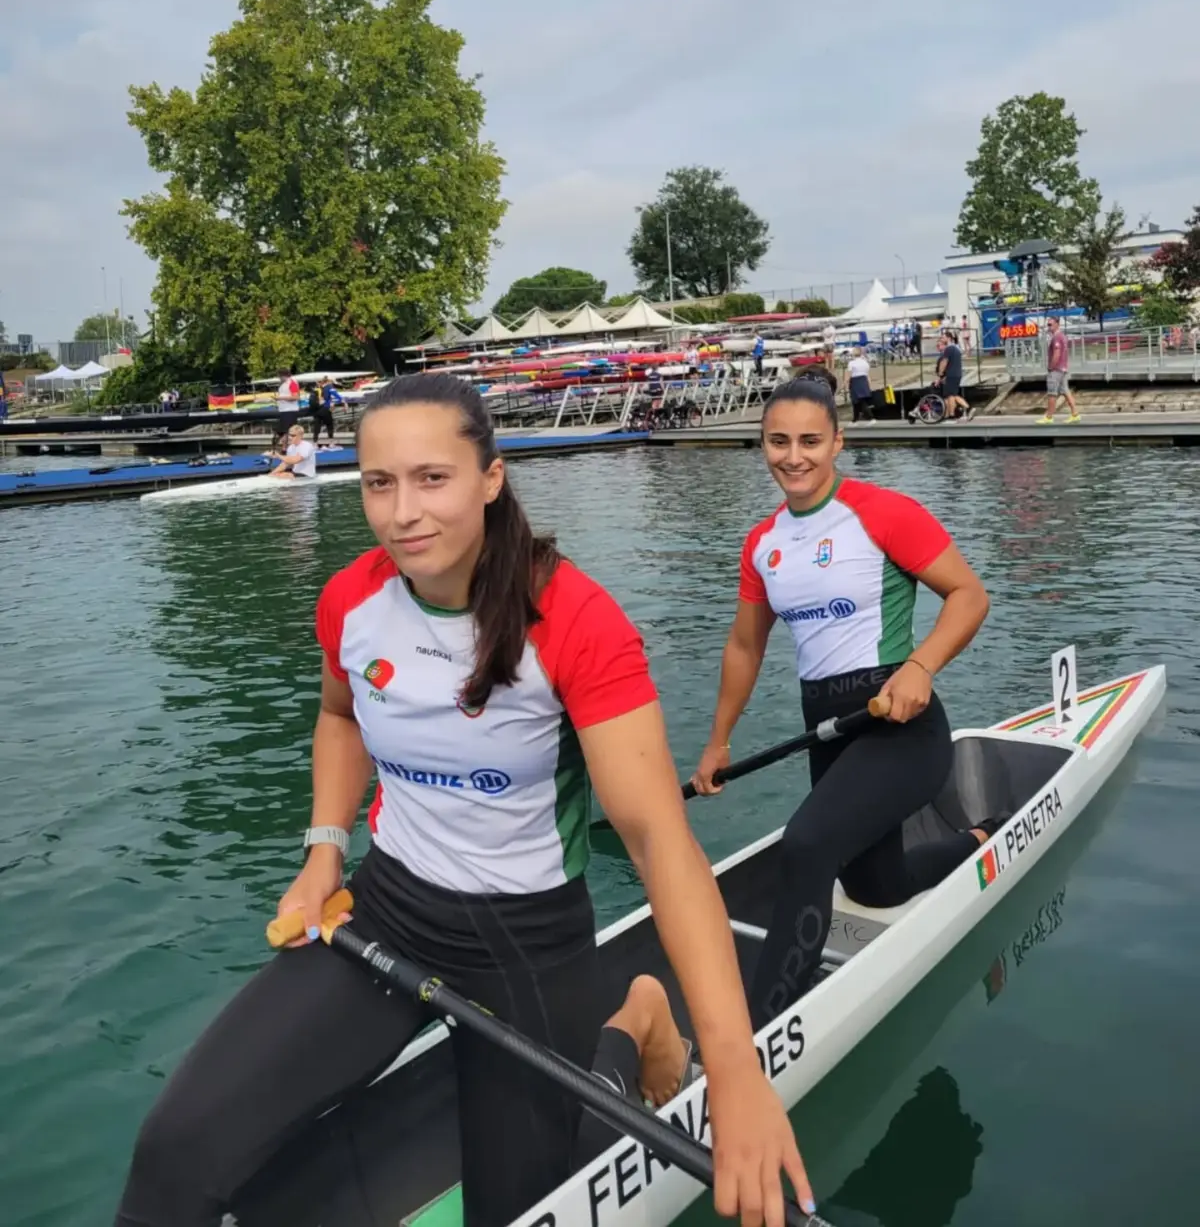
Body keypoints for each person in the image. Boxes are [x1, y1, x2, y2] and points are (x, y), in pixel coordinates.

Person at [115, 373, 813, 1227]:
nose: (403, 511)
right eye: (379, 482)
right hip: (388, 909)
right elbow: (340, 719)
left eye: (432, 478)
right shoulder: (351, 602)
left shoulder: (576, 621)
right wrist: (323, 851)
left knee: (512, 1212)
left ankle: (630, 1024)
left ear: (490, 477)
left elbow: (659, 843)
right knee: (175, 1153)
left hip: (526, 937)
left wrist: (737, 1075)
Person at [691, 377, 995, 1030]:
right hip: (828, 731)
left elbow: (969, 596)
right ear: (763, 444)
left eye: (809, 440)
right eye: (777, 441)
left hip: (902, 729)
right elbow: (745, 646)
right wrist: (718, 740)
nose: (792, 456)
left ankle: (756, 1036)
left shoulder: (883, 512)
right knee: (873, 888)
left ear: (837, 440)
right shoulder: (763, 543)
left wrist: (921, 665)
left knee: (805, 844)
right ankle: (976, 839)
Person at [1038, 316, 1080, 424]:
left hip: (1056, 369)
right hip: (1063, 368)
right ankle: (1075, 414)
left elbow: (1056, 353)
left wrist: (1051, 367)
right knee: (1065, 391)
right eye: (1048, 324)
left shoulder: (1056, 337)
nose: (1048, 327)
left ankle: (1049, 417)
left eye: (1050, 324)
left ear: (1057, 324)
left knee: (1052, 393)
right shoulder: (1063, 336)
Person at [936, 332, 971, 421]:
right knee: (952, 394)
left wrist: (940, 373)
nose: (942, 339)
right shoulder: (957, 348)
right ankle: (951, 413)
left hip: (951, 374)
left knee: (950, 395)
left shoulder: (949, 349)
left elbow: (944, 361)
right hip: (957, 373)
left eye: (943, 337)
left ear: (949, 338)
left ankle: (952, 414)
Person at [847, 347, 874, 422]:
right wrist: (869, 384)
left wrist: (845, 383)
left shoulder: (851, 363)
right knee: (856, 401)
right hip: (863, 380)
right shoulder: (865, 362)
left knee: (859, 400)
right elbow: (867, 375)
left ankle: (870, 417)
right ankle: (855, 419)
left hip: (855, 381)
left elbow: (849, 375)